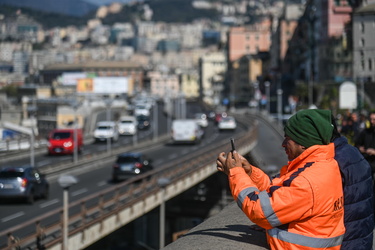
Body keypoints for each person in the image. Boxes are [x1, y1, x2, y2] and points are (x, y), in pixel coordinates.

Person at [217, 109, 345, 250]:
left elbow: (259, 211)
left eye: (288, 138)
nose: (283, 143)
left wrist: (235, 173)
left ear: (303, 143)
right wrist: (250, 172)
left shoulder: (306, 181)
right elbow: (279, 193)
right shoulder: (324, 165)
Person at [331, 114, 374, 250]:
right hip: (359, 234)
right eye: (372, 119)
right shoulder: (357, 144)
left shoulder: (338, 158)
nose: (373, 121)